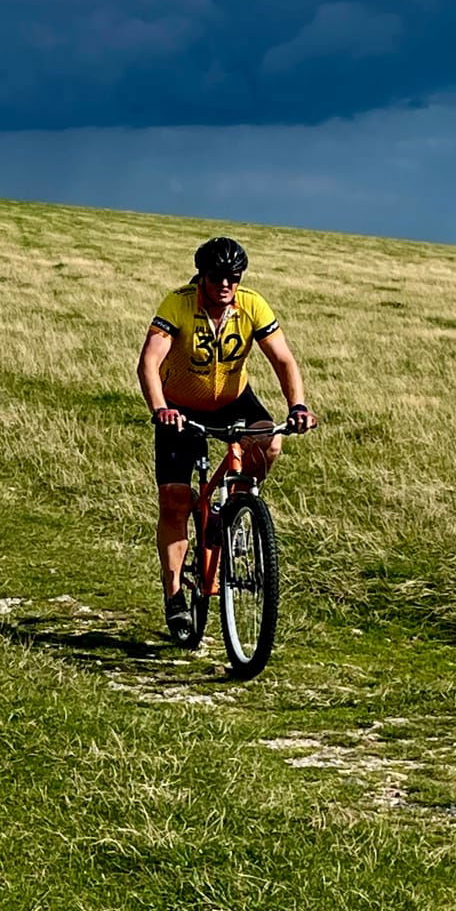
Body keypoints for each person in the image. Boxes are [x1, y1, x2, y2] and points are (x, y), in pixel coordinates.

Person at [137, 235, 313, 641]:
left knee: (269, 441)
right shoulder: (178, 303)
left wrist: (298, 407)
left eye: (234, 277)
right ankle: (176, 597)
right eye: (218, 277)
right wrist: (160, 409)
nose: (225, 285)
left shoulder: (251, 305)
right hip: (179, 407)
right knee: (176, 500)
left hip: (234, 399)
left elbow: (283, 358)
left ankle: (234, 512)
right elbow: (149, 362)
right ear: (202, 275)